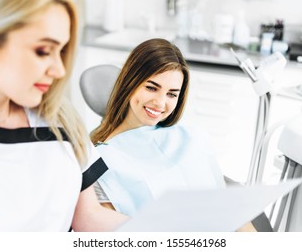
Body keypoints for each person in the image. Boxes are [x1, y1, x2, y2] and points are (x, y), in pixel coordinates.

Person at [0, 0, 127, 231]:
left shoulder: (59, 119)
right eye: (43, 51)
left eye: (62, 51)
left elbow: (88, 216)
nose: (59, 70)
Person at [91, 38, 227, 214]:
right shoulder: (102, 161)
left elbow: (224, 203)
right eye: (152, 88)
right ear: (130, 82)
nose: (160, 103)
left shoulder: (191, 137)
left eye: (171, 94)